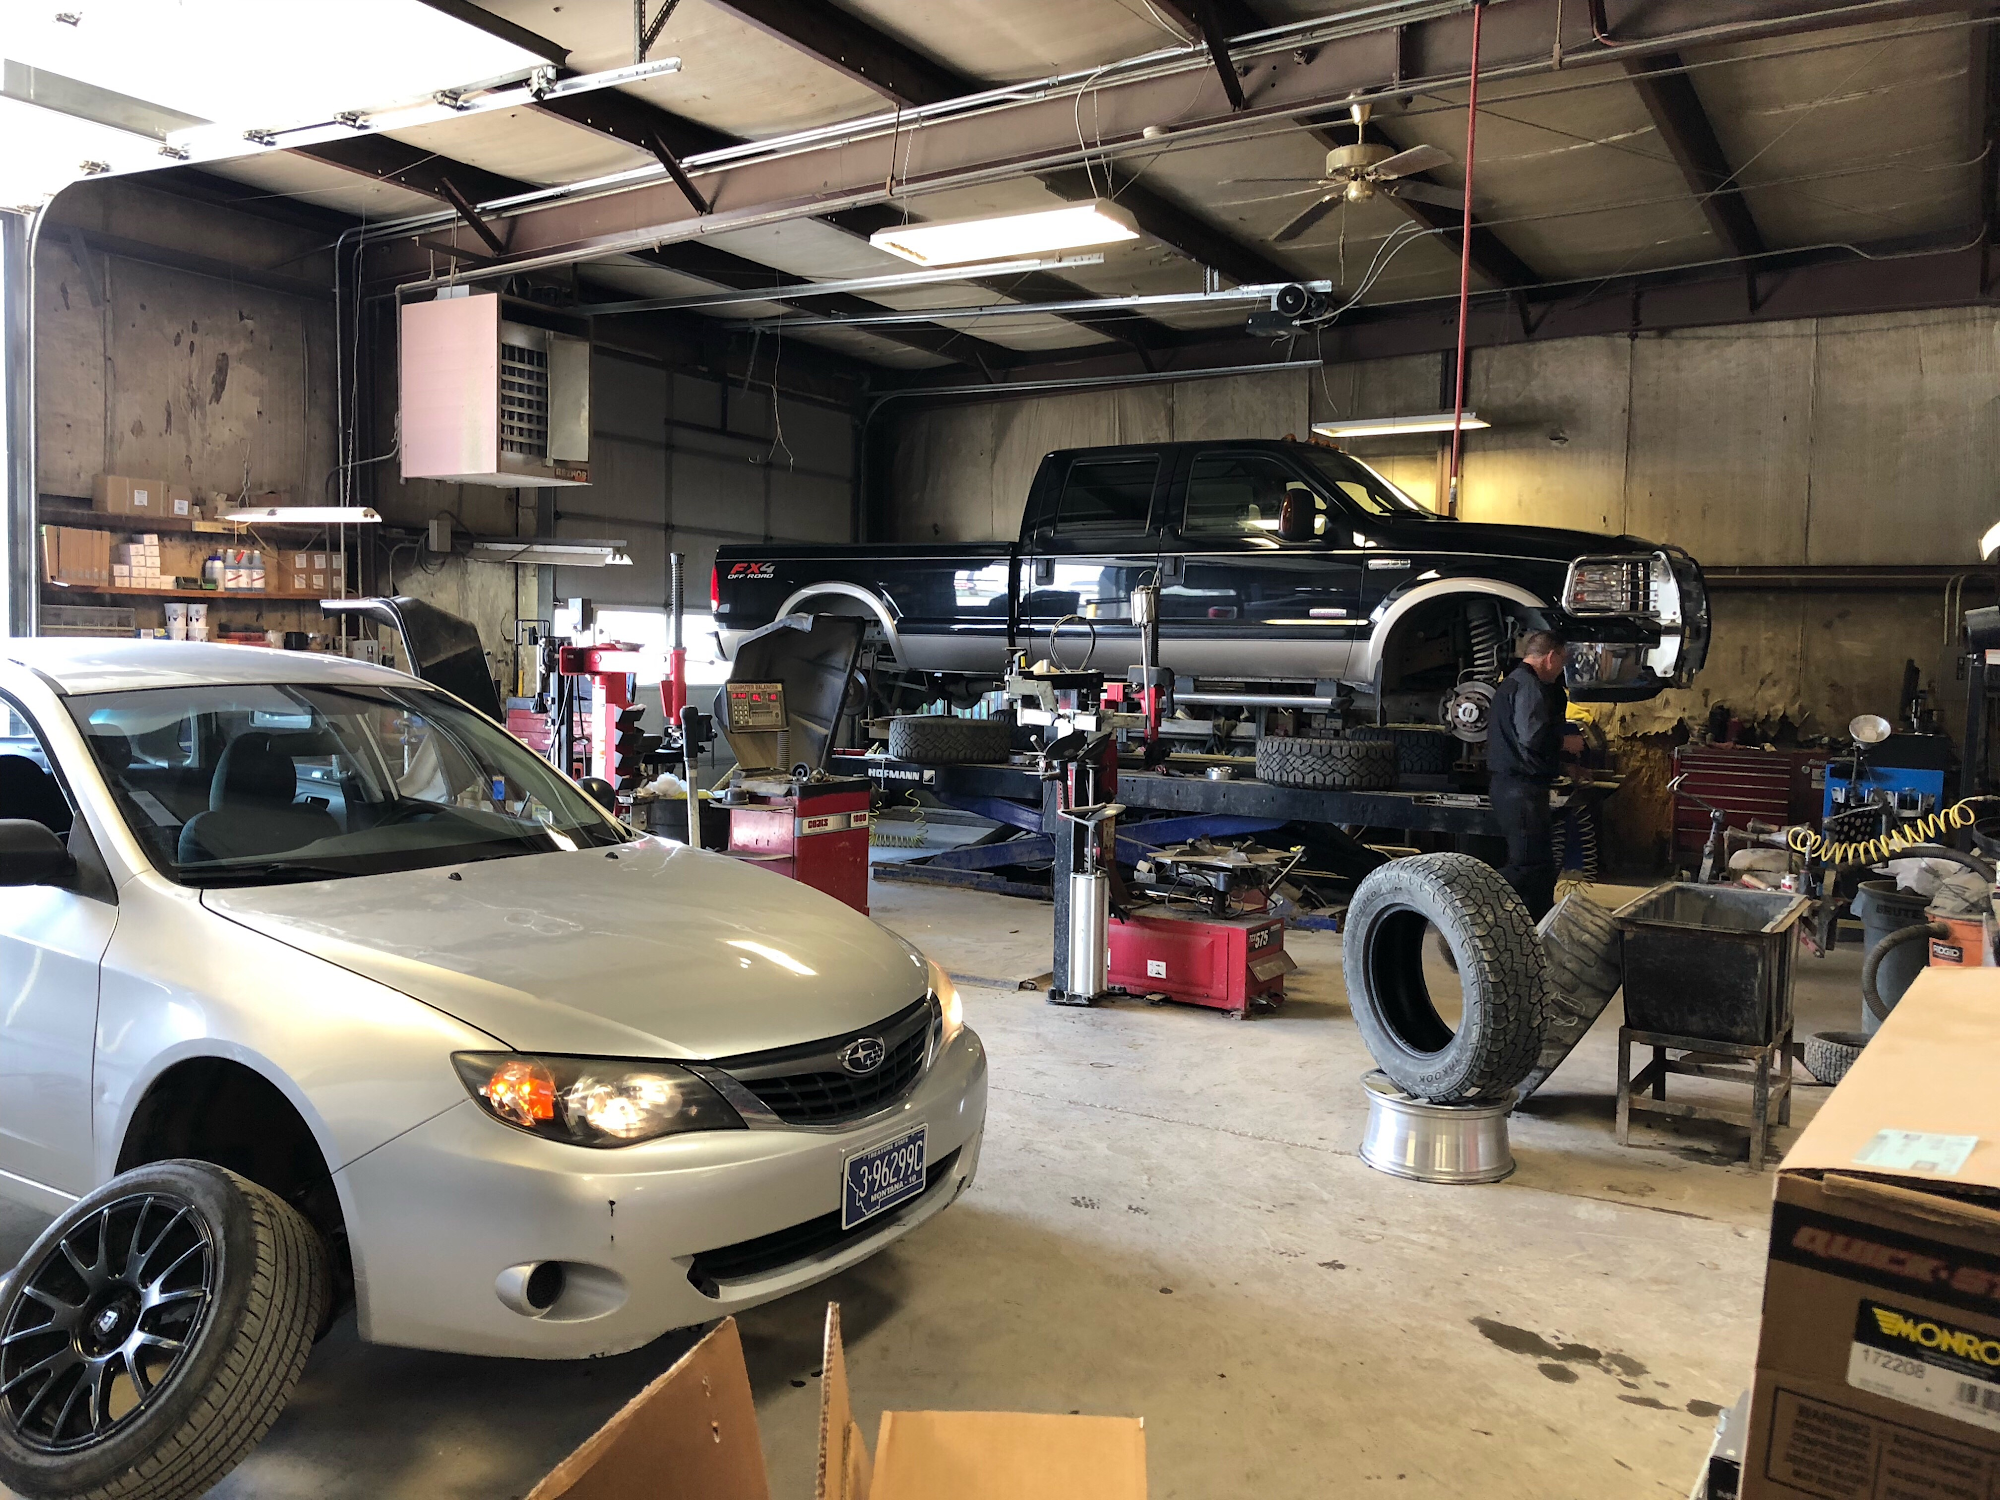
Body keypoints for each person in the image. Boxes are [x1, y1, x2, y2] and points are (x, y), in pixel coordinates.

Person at [1487, 630, 1571, 920]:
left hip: (1514, 787)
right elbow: (1532, 737)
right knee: (1527, 866)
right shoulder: (1528, 686)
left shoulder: (1513, 683)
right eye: (1562, 661)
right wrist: (1565, 742)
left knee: (1542, 868)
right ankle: (1470, 901)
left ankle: (1538, 926)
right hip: (1520, 790)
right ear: (1551, 657)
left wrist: (1565, 767)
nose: (1562, 669)